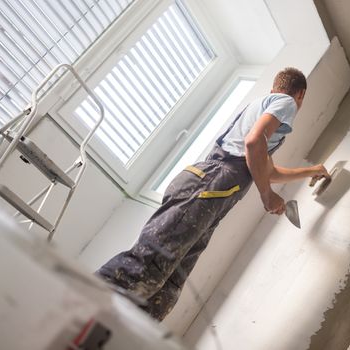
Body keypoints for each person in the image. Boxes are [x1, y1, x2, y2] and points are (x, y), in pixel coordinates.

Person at [96, 67, 330, 320]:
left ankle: (118, 337)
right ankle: (76, 310)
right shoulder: (286, 102)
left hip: (214, 193)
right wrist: (267, 196)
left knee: (166, 289)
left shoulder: (265, 110)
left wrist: (310, 171)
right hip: (211, 184)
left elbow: (266, 168)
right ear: (300, 94)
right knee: (148, 265)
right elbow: (253, 143)